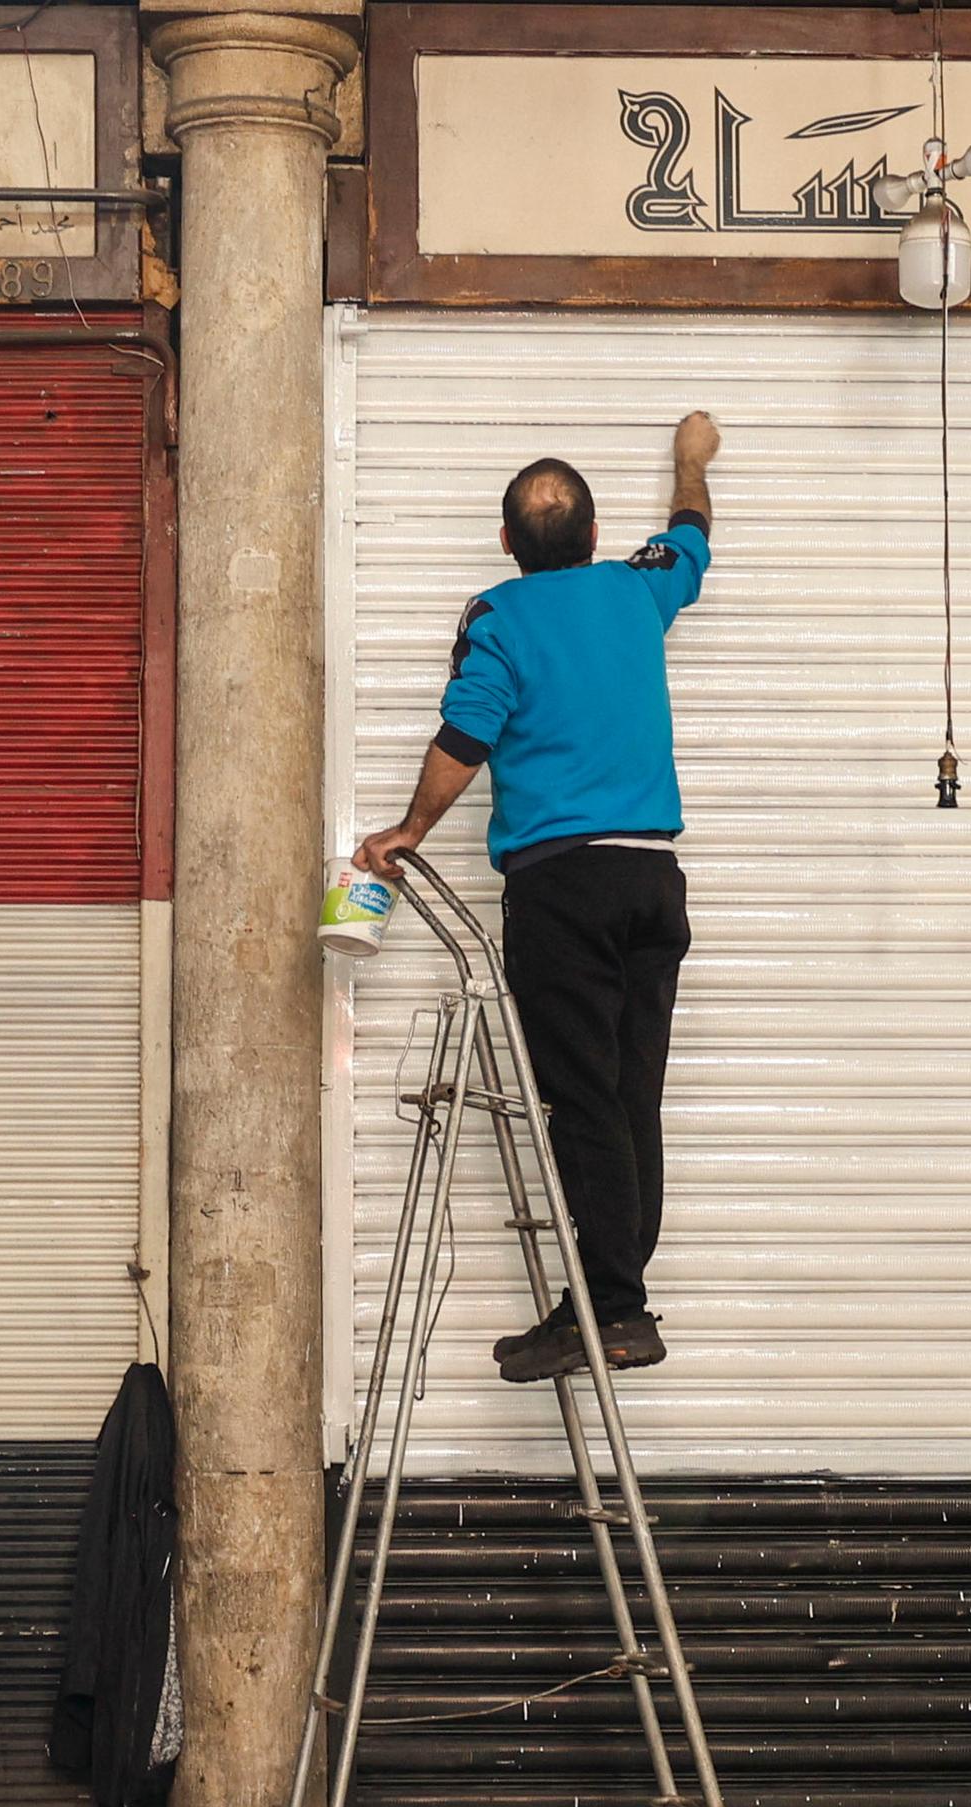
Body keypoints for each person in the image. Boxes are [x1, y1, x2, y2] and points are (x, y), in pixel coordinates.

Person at [355, 411, 721, 1385]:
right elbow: (693, 534)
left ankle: (615, 1307)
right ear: (596, 539)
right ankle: (609, 1303)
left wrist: (408, 832)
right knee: (629, 1097)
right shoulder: (640, 590)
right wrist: (691, 456)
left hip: (565, 890)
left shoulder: (500, 617)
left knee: (581, 1102)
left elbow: (465, 738)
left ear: (508, 541)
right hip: (652, 880)